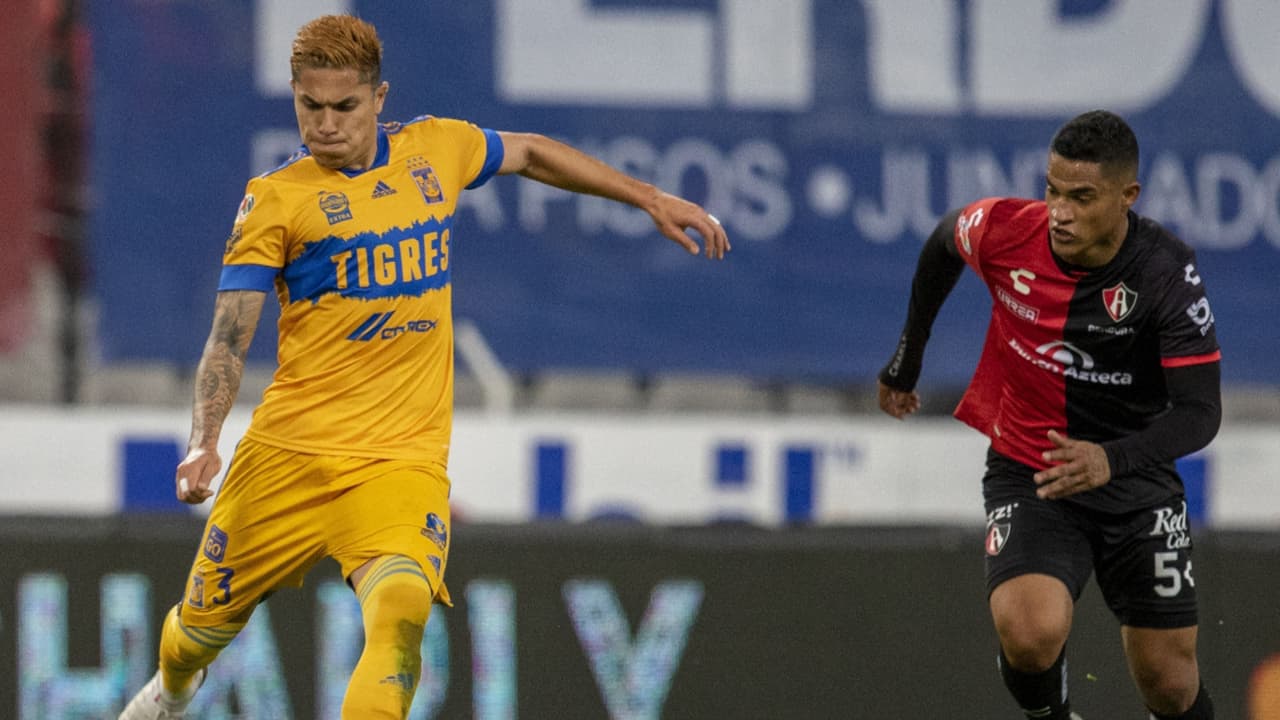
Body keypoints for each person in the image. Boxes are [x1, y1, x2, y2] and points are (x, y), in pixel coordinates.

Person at [120, 13, 729, 719]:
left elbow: (531, 153)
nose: (325, 124)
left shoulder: (436, 149)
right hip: (289, 455)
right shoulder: (276, 199)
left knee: (402, 608)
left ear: (379, 98)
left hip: (399, 461)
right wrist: (204, 439)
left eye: (344, 106)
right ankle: (173, 689)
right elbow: (229, 337)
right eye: (310, 106)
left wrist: (648, 197)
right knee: (196, 635)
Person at [877, 110, 1219, 719]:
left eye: (1081, 198)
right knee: (1030, 634)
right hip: (1031, 468)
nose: (1059, 211)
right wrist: (908, 360)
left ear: (1127, 197)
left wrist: (1111, 459)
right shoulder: (1006, 229)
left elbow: (1200, 413)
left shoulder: (1166, 272)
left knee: (1168, 682)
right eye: (1053, 190)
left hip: (1134, 478)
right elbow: (944, 241)